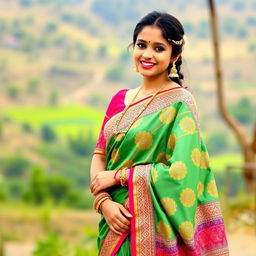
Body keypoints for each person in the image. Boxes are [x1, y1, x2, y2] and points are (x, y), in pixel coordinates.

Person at [90, 11, 229, 256]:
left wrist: (119, 176)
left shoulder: (180, 103)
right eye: (142, 45)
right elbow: (100, 157)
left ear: (174, 55)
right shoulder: (118, 100)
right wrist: (104, 204)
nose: (147, 54)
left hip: (156, 229)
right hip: (114, 225)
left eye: (158, 48)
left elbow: (181, 172)